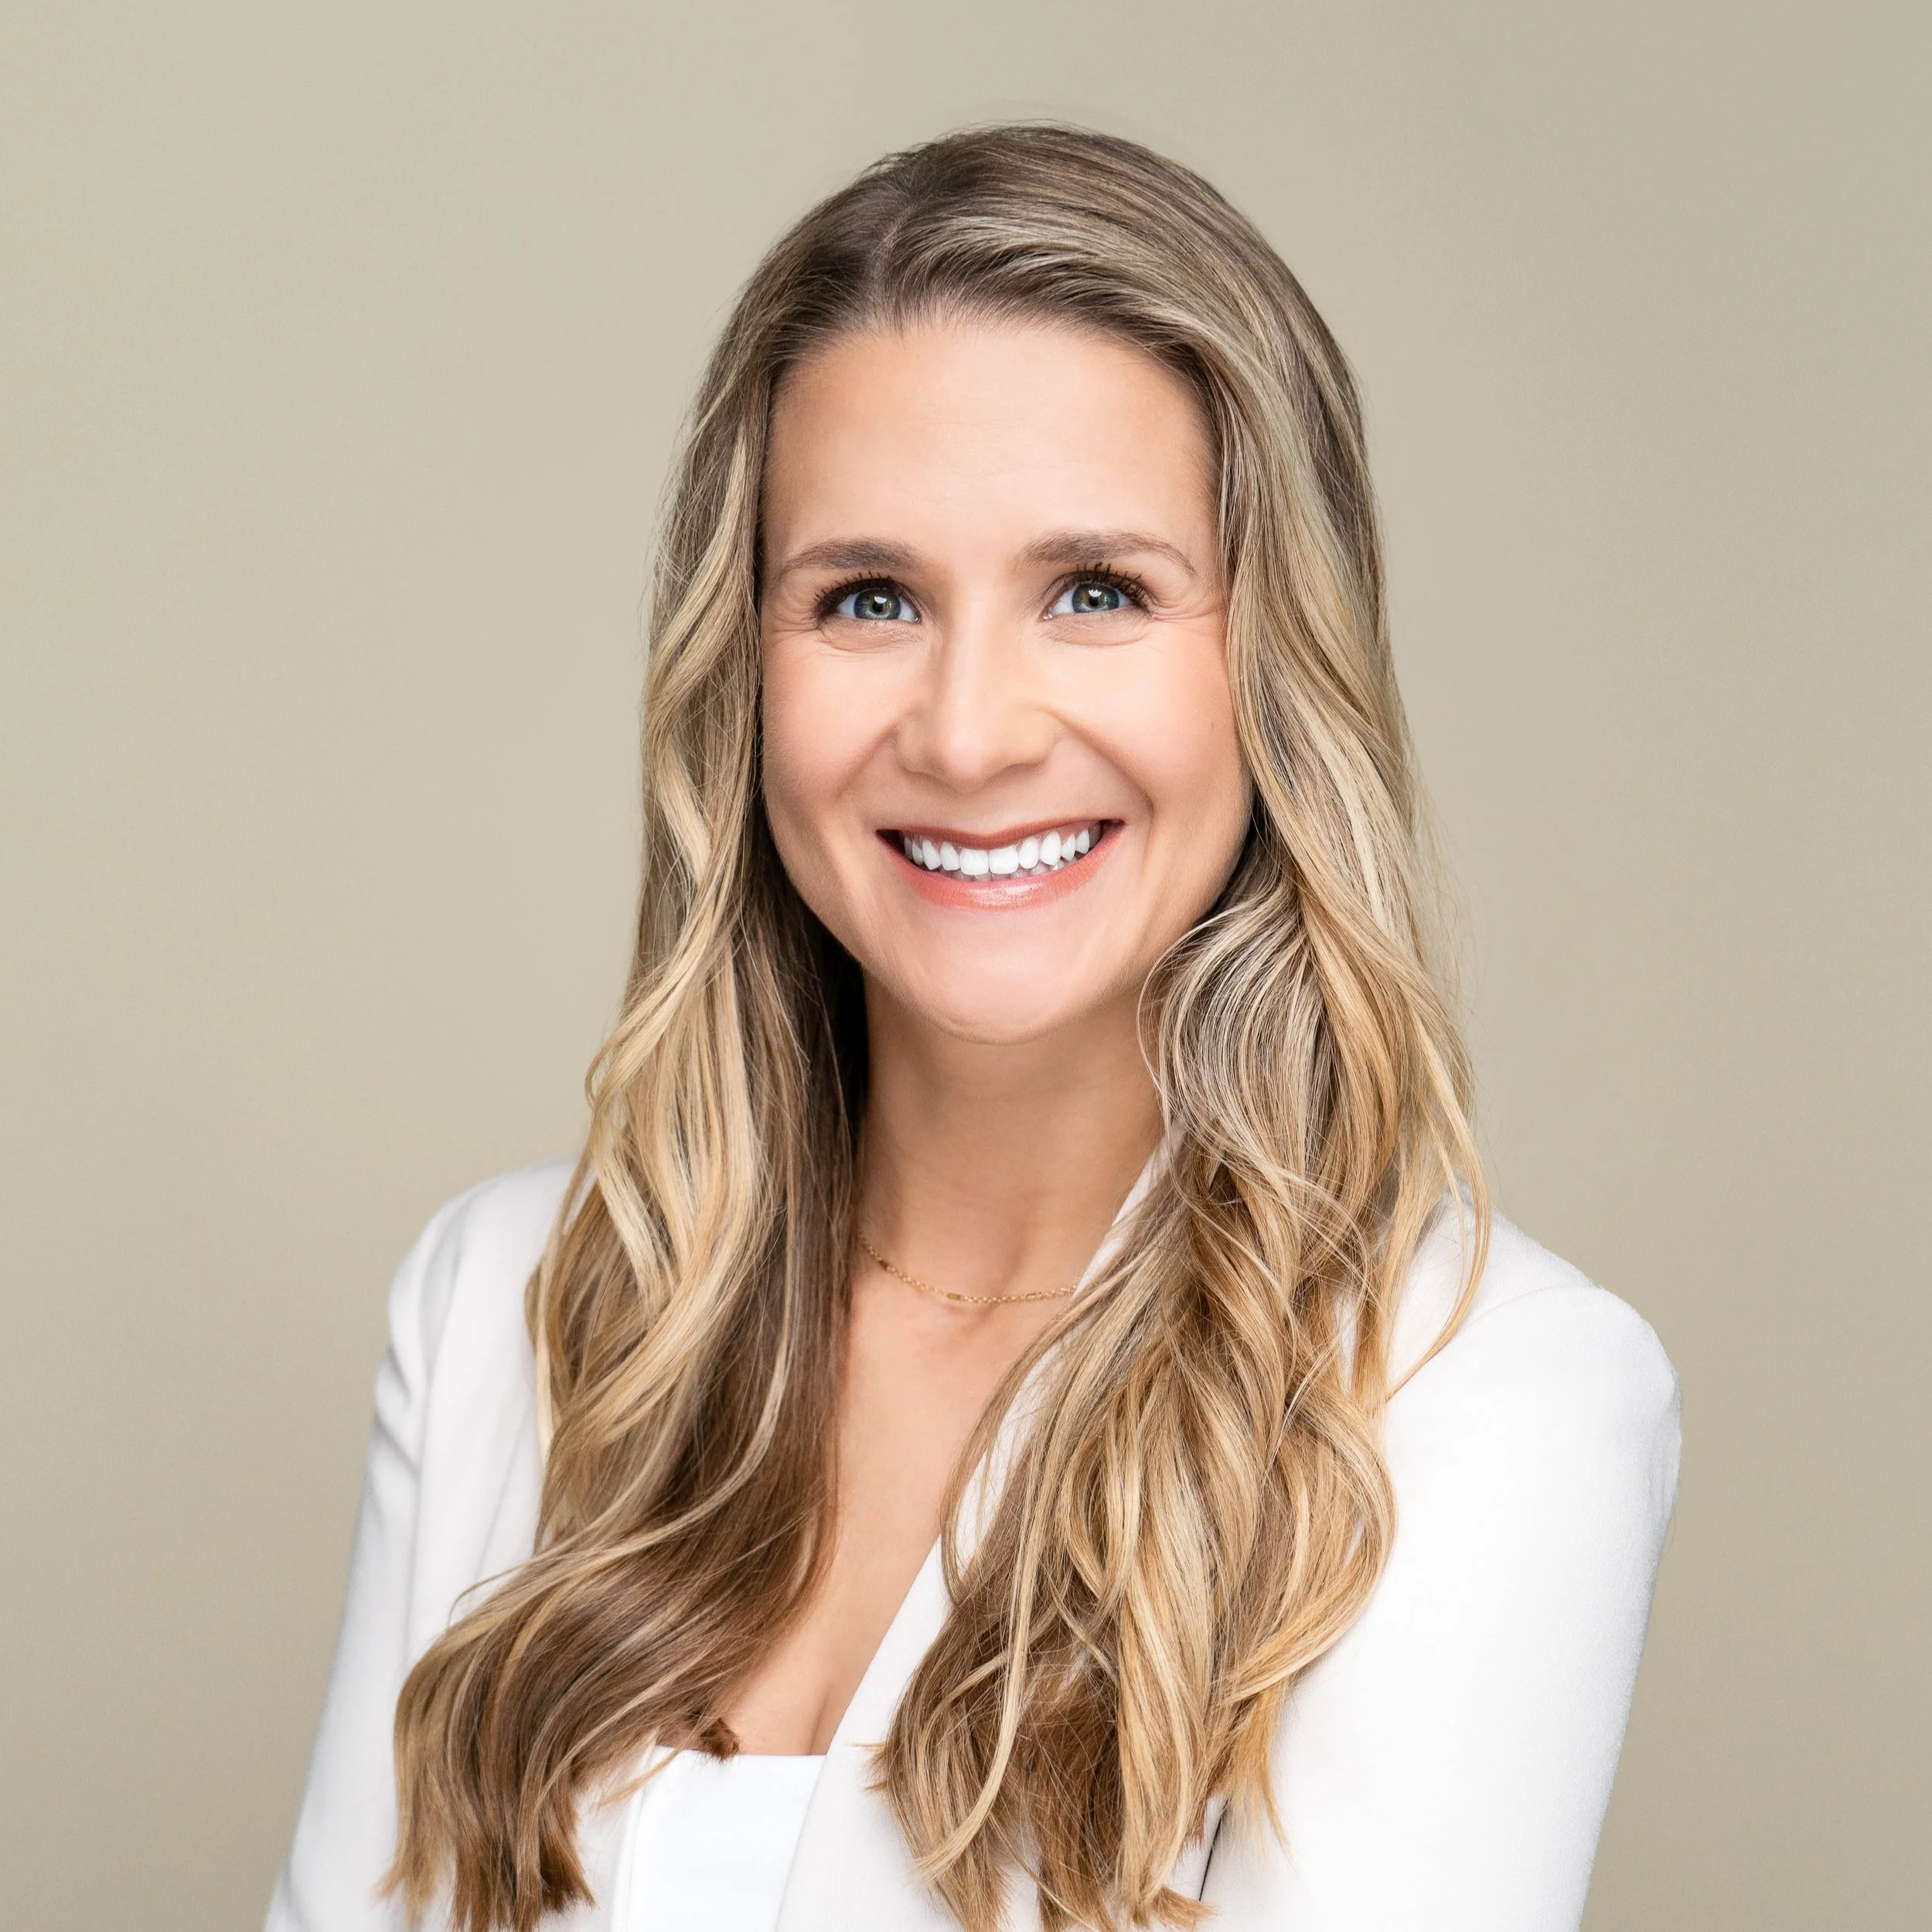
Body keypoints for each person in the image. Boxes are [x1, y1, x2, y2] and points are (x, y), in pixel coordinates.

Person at [267, 124, 1680, 1932]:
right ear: (743, 665)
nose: (965, 729)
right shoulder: (505, 1305)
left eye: (1095, 590)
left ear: (1272, 665)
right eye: (868, 596)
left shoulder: (1481, 1401)